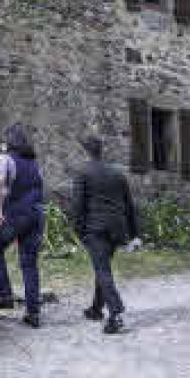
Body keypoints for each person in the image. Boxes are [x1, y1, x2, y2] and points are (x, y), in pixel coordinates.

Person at [71, 134, 140, 334]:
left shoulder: (82, 172)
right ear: (101, 151)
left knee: (102, 270)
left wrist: (78, 230)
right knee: (103, 267)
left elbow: (77, 206)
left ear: (85, 151)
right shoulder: (117, 173)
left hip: (96, 229)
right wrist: (134, 234)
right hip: (117, 229)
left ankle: (115, 314)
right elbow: (129, 206)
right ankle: (96, 309)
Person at [0, 123, 45, 328]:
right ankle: (33, 313)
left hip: (16, 214)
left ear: (8, 141)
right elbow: (34, 186)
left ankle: (4, 295)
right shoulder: (34, 163)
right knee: (29, 263)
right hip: (37, 214)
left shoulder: (5, 159)